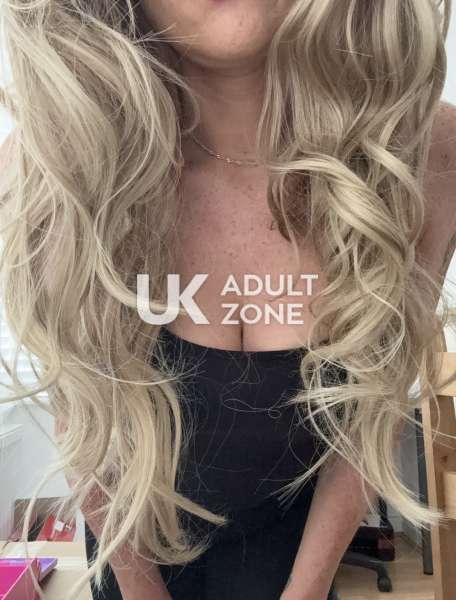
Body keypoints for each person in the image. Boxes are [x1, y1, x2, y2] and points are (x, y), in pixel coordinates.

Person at [1, 1, 456, 599]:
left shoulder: (422, 153)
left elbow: (374, 410)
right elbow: (88, 422)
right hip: (135, 550)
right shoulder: (56, 166)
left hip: (296, 552)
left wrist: (306, 590)